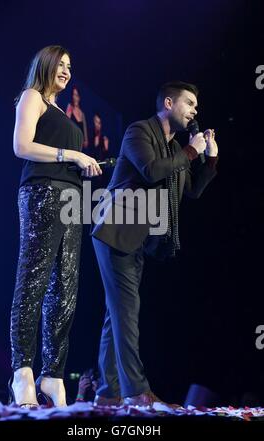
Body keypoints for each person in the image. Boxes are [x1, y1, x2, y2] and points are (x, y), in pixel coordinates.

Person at [91, 81, 219, 407]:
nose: (194, 111)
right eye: (189, 103)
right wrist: (191, 151)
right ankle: (136, 391)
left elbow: (191, 190)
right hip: (115, 230)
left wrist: (210, 160)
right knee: (126, 312)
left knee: (116, 314)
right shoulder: (139, 132)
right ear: (168, 103)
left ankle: (108, 394)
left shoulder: (176, 148)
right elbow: (150, 171)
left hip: (137, 239)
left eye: (196, 107)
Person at [9, 45, 102, 408]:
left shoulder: (63, 110)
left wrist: (83, 165)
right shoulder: (33, 96)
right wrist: (72, 154)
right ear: (45, 65)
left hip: (70, 200)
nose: (66, 71)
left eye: (69, 66)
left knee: (64, 290)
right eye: (60, 65)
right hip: (41, 193)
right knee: (33, 281)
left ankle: (53, 374)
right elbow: (21, 145)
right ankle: (22, 372)